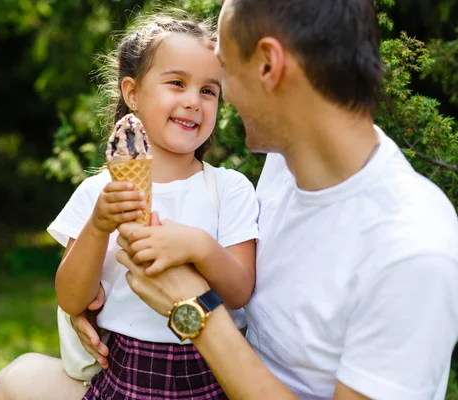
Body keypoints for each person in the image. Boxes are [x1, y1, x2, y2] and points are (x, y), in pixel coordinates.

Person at [112, 0, 458, 399]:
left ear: (267, 65)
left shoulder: (412, 249)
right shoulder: (285, 163)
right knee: (26, 376)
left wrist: (193, 310)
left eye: (223, 69)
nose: (219, 96)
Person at [0, 11, 259, 400]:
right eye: (176, 83)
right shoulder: (97, 193)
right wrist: (99, 227)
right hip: (124, 378)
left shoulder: (228, 188)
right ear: (132, 93)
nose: (193, 101)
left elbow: (239, 292)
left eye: (208, 90)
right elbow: (71, 299)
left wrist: (199, 246)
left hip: (211, 380)